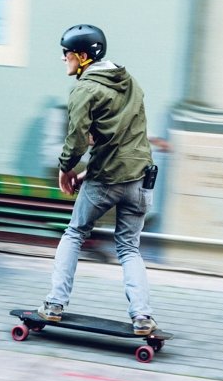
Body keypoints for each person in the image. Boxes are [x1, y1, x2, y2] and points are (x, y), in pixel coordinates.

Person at [37, 24, 158, 335]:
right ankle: (142, 317)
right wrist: (84, 172)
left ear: (81, 56)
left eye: (66, 54)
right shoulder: (130, 83)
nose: (63, 59)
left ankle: (54, 305)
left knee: (75, 233)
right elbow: (122, 142)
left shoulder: (84, 90)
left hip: (106, 181)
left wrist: (65, 169)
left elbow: (76, 139)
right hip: (140, 179)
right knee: (129, 248)